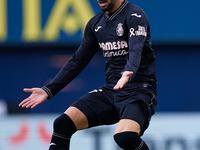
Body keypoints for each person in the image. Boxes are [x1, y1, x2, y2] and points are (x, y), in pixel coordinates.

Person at [19, 0, 157, 149]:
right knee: (62, 124)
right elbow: (77, 61)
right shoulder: (95, 24)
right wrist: (49, 89)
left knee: (124, 137)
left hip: (138, 91)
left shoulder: (135, 15)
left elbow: (135, 49)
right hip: (112, 91)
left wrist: (127, 73)